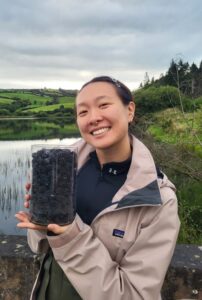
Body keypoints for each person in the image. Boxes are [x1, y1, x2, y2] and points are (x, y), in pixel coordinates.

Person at [15, 76, 180, 300]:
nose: (93, 118)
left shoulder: (158, 199)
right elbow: (39, 248)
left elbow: (135, 295)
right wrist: (40, 222)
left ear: (129, 110)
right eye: (83, 112)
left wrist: (72, 237)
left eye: (103, 105)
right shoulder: (62, 166)